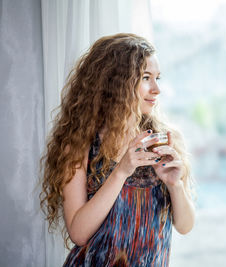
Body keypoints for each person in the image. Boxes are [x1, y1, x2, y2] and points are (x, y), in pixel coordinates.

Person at [39, 33, 196, 267]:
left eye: (157, 78)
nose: (156, 89)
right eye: (145, 78)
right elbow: (78, 233)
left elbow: (185, 226)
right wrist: (121, 172)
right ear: (116, 83)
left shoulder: (163, 141)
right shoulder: (79, 145)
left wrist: (176, 185)